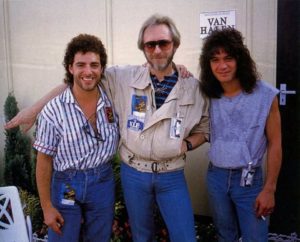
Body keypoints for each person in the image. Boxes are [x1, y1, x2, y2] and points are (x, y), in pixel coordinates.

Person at [5, 14, 209, 242]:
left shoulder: (189, 88)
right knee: (72, 234)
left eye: (164, 43)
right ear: (143, 48)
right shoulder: (121, 79)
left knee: (179, 236)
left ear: (175, 45)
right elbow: (78, 81)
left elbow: (205, 127)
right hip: (97, 180)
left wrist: (188, 143)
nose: (158, 49)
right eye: (151, 44)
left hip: (141, 178)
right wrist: (35, 110)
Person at [33, 34, 119, 241]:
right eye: (81, 65)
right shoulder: (53, 111)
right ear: (70, 68)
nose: (88, 71)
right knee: (64, 237)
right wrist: (46, 207)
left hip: (102, 182)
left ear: (101, 68)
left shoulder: (114, 99)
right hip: (67, 185)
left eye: (94, 65)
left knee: (99, 237)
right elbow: (44, 161)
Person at [199, 28, 282, 242]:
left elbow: (275, 143)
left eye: (228, 58)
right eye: (215, 59)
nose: (222, 66)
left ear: (240, 60)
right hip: (216, 177)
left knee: (256, 237)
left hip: (250, 180)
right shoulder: (208, 93)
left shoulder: (265, 95)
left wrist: (270, 189)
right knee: (225, 235)